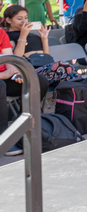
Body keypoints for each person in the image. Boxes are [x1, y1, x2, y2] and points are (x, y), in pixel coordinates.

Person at [0, 24, 49, 157]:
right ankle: (3, 137)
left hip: (5, 76)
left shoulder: (1, 33)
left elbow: (10, 59)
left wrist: (16, 72)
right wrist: (2, 75)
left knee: (37, 79)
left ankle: (26, 126)